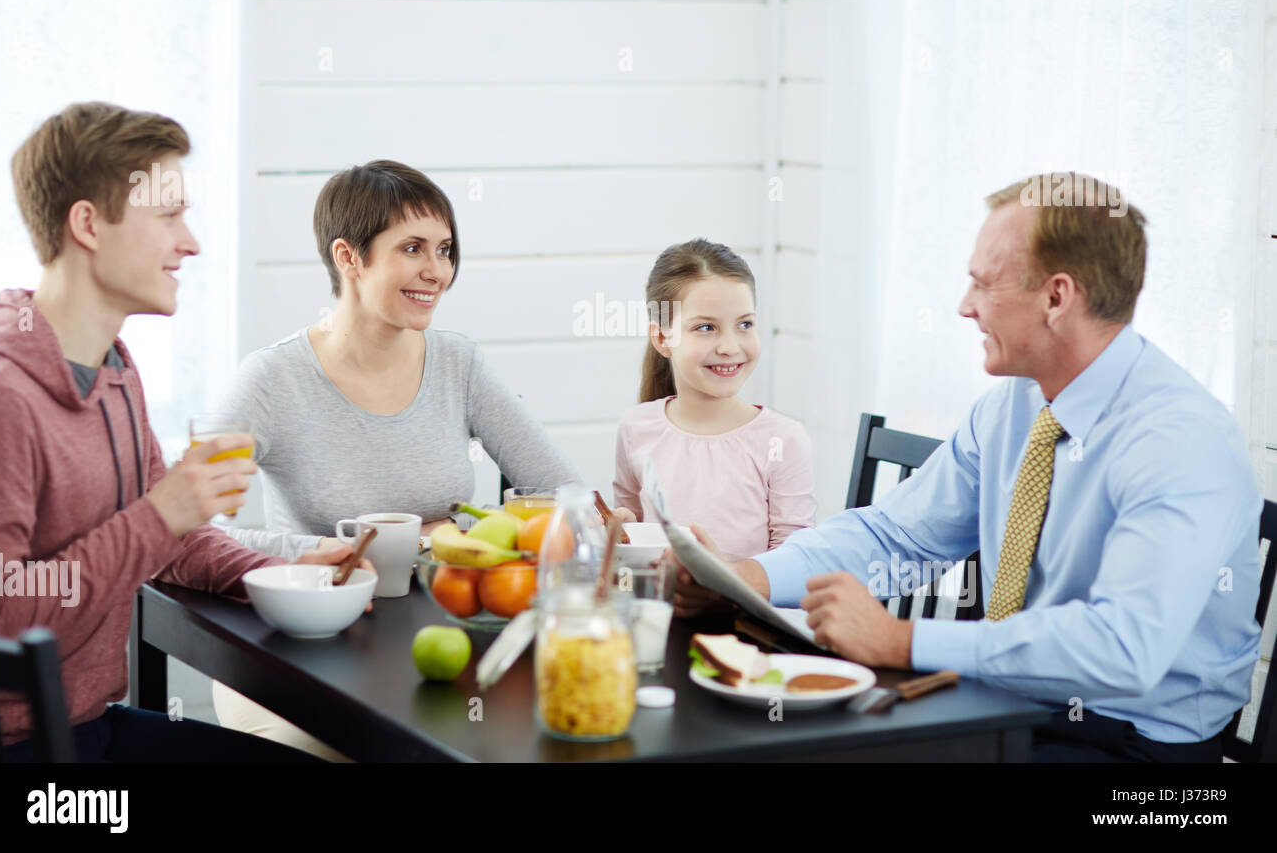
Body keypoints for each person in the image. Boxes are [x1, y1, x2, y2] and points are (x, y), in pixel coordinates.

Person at [674, 174, 1262, 763]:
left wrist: (901, 639)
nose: (965, 305)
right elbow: (896, 536)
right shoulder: (1016, 405)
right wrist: (746, 579)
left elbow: (1122, 649)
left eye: (982, 283)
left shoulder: (1180, 440)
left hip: (1135, 747)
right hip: (1007, 704)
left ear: (1057, 298)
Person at [0, 102, 369, 762]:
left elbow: (169, 543)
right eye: (169, 215)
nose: (190, 242)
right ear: (88, 224)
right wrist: (161, 514)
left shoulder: (114, 373)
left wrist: (289, 572)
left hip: (92, 730)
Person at [210, 159, 581, 756]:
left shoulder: (459, 363)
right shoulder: (270, 379)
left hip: (427, 640)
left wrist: (454, 532)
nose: (436, 271)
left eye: (445, 249)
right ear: (348, 257)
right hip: (298, 644)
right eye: (413, 248)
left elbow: (564, 495)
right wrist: (325, 551)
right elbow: (189, 533)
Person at [613, 239, 815, 560]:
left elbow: (793, 562)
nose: (729, 346)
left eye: (744, 324)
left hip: (745, 611)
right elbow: (629, 535)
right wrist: (615, 531)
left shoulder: (782, 440)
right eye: (706, 327)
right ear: (663, 338)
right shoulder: (636, 427)